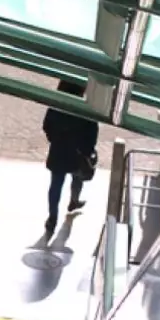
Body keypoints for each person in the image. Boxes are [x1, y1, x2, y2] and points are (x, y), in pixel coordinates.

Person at [42, 86, 99, 235]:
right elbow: (92, 131)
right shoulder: (85, 107)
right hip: (78, 153)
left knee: (55, 185)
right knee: (77, 178)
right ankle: (74, 201)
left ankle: (52, 217)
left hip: (59, 151)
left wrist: (54, 139)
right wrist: (88, 150)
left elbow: (46, 125)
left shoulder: (57, 104)